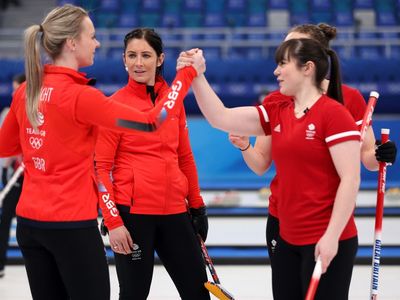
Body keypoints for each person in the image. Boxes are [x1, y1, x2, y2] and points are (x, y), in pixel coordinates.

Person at [0, 4, 205, 300]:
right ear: (72, 43)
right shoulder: (82, 97)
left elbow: (8, 147)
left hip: (31, 225)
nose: (96, 43)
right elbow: (153, 121)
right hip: (70, 225)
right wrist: (185, 76)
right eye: (92, 36)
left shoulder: (27, 90)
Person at [179, 38, 361, 299]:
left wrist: (332, 237)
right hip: (287, 238)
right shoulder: (279, 110)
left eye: (283, 64)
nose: (276, 71)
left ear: (307, 68)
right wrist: (197, 75)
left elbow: (350, 179)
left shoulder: (334, 114)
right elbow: (221, 117)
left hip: (327, 239)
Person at [227, 23, 397, 297]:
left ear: (312, 60)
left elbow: (366, 159)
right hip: (283, 219)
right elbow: (260, 164)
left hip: (329, 220)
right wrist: (245, 145)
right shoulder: (278, 100)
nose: (284, 58)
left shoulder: (348, 99)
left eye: (292, 51)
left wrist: (380, 154)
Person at [94, 28, 210, 300]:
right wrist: (112, 220)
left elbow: (184, 157)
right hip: (133, 217)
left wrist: (197, 205)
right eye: (131, 56)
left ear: (160, 59)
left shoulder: (174, 101)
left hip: (175, 212)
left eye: (146, 55)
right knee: (133, 295)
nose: (138, 63)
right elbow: (100, 168)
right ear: (123, 60)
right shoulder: (114, 105)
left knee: (198, 293)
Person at [0, 73, 25, 278]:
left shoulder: (35, 108)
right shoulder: (10, 112)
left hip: (32, 172)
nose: (15, 91)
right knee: (5, 216)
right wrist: (5, 169)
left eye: (19, 87)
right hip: (14, 173)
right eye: (14, 87)